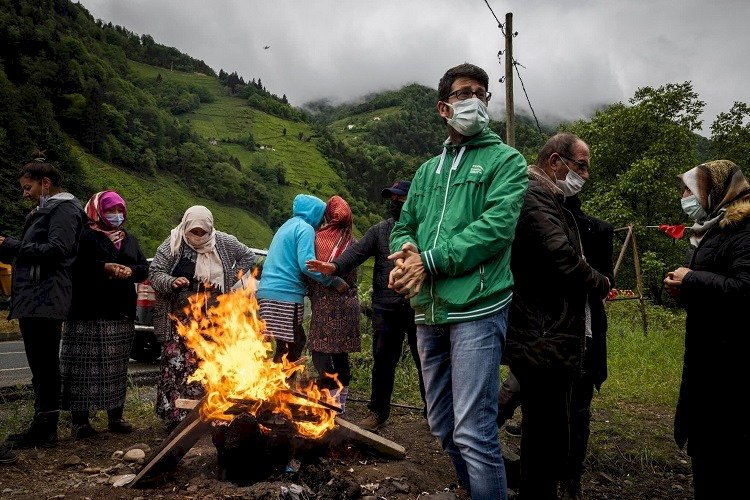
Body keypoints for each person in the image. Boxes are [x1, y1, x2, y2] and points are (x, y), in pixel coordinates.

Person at [388, 63, 528, 499]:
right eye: (466, 93)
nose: (476, 100)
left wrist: (428, 260)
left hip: (478, 309)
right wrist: (407, 255)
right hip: (429, 310)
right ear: (444, 107)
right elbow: (402, 224)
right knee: (443, 425)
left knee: (474, 429)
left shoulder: (506, 161)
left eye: (482, 94)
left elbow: (495, 229)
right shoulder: (428, 171)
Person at [503, 132, 610, 500]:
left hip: (547, 332)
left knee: (547, 433)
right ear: (554, 162)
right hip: (542, 334)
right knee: (547, 436)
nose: (584, 175)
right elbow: (562, 257)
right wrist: (599, 282)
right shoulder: (536, 197)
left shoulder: (550, 199)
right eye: (580, 166)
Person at [307, 180, 426, 431]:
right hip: (386, 308)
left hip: (419, 307)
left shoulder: (425, 229)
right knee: (383, 362)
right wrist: (335, 266)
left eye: (400, 198)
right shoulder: (380, 231)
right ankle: (378, 412)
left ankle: (433, 413)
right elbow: (357, 253)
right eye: (392, 199)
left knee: (425, 363)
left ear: (413, 199)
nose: (395, 203)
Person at [664, 160, 750, 500]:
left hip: (734, 365)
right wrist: (684, 290)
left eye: (690, 189)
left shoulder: (743, 231)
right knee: (708, 457)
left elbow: (745, 289)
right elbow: (716, 293)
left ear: (715, 190)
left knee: (728, 458)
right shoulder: (711, 230)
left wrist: (692, 278)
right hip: (709, 357)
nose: (685, 197)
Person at [0, 157, 84, 449]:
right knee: (40, 363)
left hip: (45, 296)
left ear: (45, 183)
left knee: (45, 363)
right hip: (35, 296)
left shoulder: (63, 209)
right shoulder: (47, 209)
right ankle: (42, 424)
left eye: (28, 187)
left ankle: (45, 428)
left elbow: (57, 250)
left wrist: (10, 245)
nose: (25, 194)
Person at [149, 205, 256, 426]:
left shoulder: (224, 242)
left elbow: (248, 256)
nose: (197, 237)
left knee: (210, 365)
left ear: (210, 229)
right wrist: (172, 282)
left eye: (202, 233)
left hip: (214, 318)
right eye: (193, 232)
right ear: (185, 227)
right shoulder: (172, 245)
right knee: (179, 366)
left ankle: (208, 416)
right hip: (181, 321)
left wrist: (230, 281)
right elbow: (155, 273)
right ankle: (177, 417)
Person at [60, 191, 149, 438]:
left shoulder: (128, 240)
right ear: (97, 211)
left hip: (119, 312)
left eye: (120, 211)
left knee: (116, 367)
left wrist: (129, 271)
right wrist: (104, 268)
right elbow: (72, 266)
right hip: (86, 310)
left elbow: (143, 268)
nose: (117, 216)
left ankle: (115, 417)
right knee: (82, 367)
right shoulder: (83, 236)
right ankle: (80, 421)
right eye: (111, 210)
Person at [560, 192, 614, 499]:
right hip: (548, 330)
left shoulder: (598, 229)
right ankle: (562, 476)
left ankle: (570, 477)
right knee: (562, 406)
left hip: (584, 330)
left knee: (575, 406)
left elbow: (607, 280)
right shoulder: (536, 224)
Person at [257, 194, 348, 364]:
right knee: (294, 344)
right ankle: (282, 384)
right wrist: (332, 280)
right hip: (285, 294)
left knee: (283, 343)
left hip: (267, 292)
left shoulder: (287, 226)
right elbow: (307, 265)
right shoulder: (305, 228)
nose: (322, 223)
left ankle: (273, 381)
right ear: (313, 213)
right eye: (321, 217)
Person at [305, 195, 360, 413]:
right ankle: (340, 404)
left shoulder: (318, 238)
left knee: (320, 352)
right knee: (340, 355)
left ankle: (327, 404)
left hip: (326, 304)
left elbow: (310, 269)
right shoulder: (353, 241)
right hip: (349, 303)